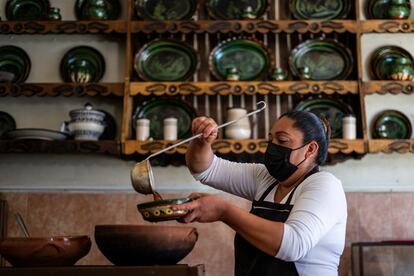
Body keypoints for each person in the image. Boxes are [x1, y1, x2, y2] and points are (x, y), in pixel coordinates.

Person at [173, 110, 347, 276]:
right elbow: (204, 169)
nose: (272, 147)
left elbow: (293, 245)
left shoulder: (325, 185)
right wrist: (201, 141)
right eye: (271, 140)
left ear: (310, 149)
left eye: (282, 141)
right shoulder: (265, 178)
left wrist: (224, 211)